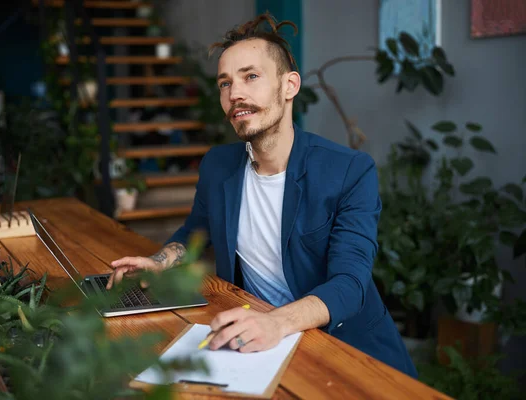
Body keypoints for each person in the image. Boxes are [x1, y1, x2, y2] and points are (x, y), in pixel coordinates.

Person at [106, 12, 418, 378]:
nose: (234, 93)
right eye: (224, 83)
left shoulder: (350, 171)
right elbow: (196, 229)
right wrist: (159, 262)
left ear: (289, 86)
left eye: (251, 76)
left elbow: (351, 284)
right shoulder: (218, 165)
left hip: (346, 349)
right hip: (255, 344)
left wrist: (275, 322)